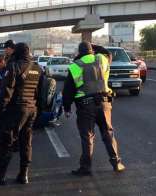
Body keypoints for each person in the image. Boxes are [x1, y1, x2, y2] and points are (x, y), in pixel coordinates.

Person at [62, 41, 125, 176]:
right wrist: (94, 46)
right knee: (108, 133)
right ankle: (116, 163)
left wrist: (67, 108)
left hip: (85, 106)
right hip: (104, 103)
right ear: (92, 50)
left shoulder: (75, 66)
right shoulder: (102, 59)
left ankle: (86, 167)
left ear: (79, 53)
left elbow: (68, 91)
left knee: (87, 136)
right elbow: (107, 52)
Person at [0, 43, 42, 185]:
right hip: (31, 109)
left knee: (6, 142)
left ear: (17, 52)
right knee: (26, 142)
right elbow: (40, 92)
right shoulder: (38, 68)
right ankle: (23, 175)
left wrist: (1, 111)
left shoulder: (14, 66)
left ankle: (0, 176)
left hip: (16, 109)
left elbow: (7, 91)